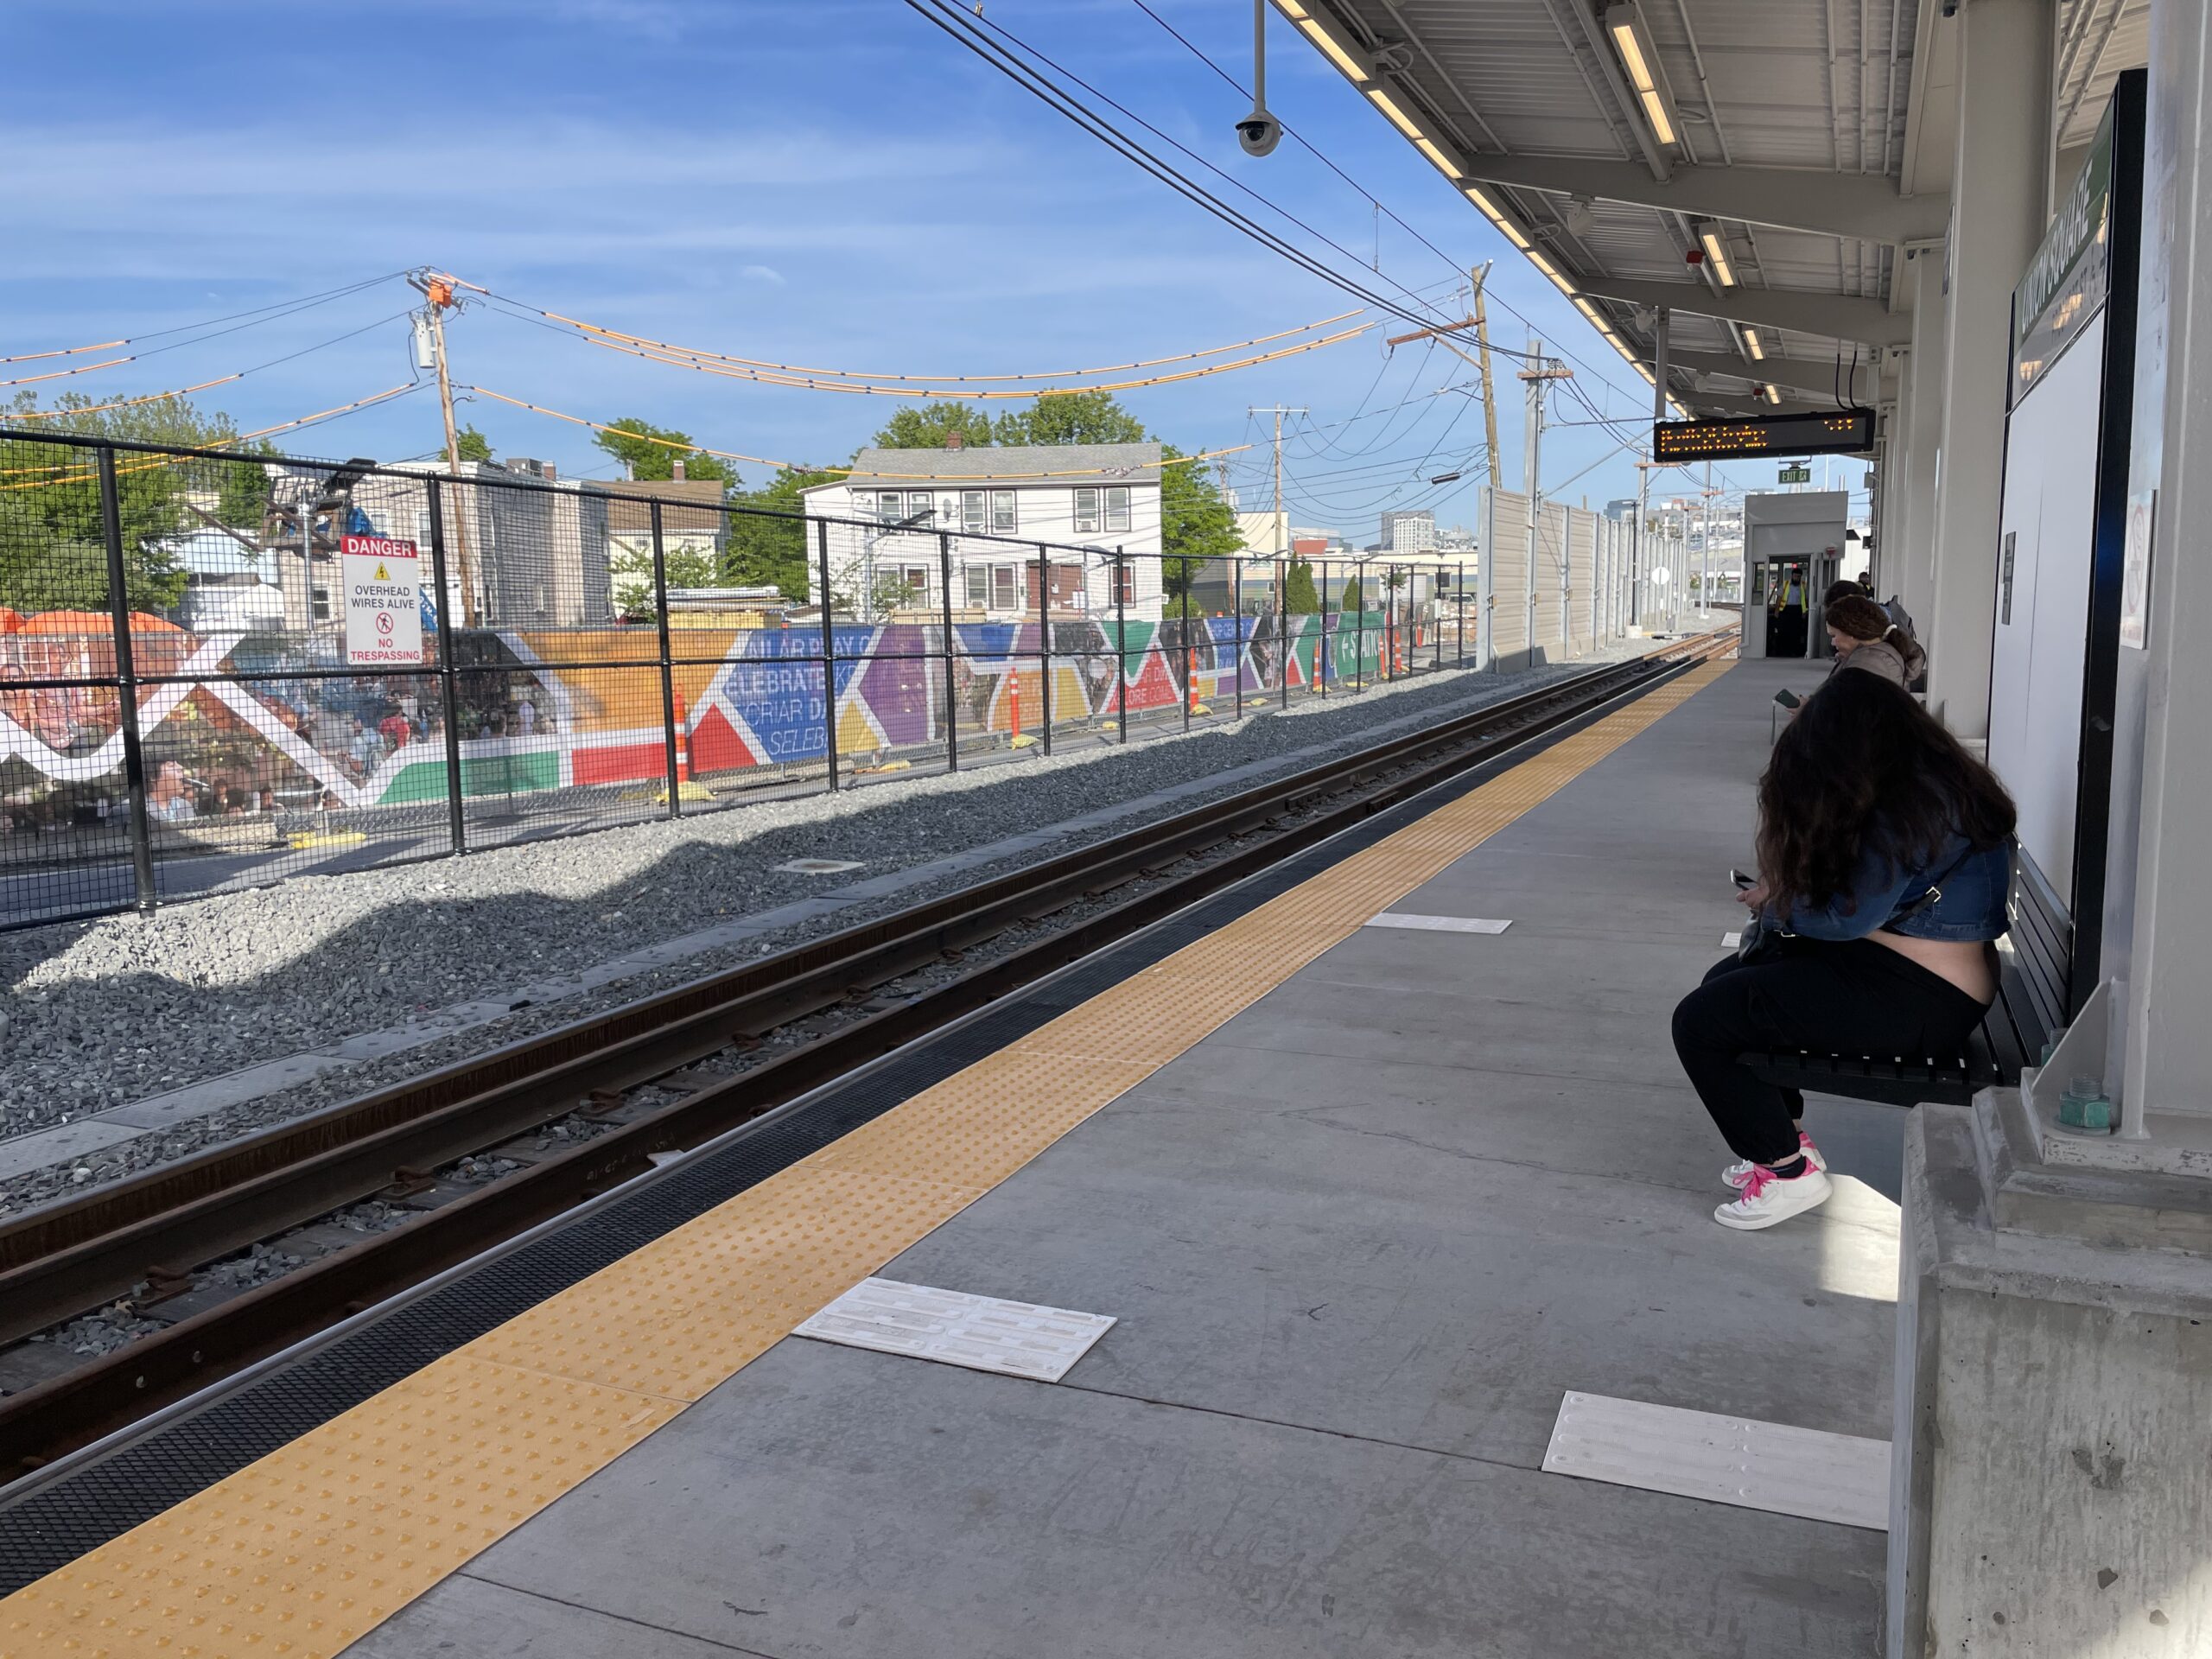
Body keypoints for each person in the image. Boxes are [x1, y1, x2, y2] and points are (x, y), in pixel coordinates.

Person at [1671, 671, 2016, 1230]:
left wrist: (1774, 902)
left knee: (1700, 1021)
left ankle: (1787, 1173)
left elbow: (1841, 921)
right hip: (1930, 984)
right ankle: (1784, 1143)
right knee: (1726, 982)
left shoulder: (1911, 811)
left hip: (1918, 1003)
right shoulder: (1939, 786)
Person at [1823, 594, 1926, 688]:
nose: (1833, 643)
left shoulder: (1868, 666)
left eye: (1834, 636)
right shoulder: (1875, 658)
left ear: (1852, 633)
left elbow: (1836, 705)